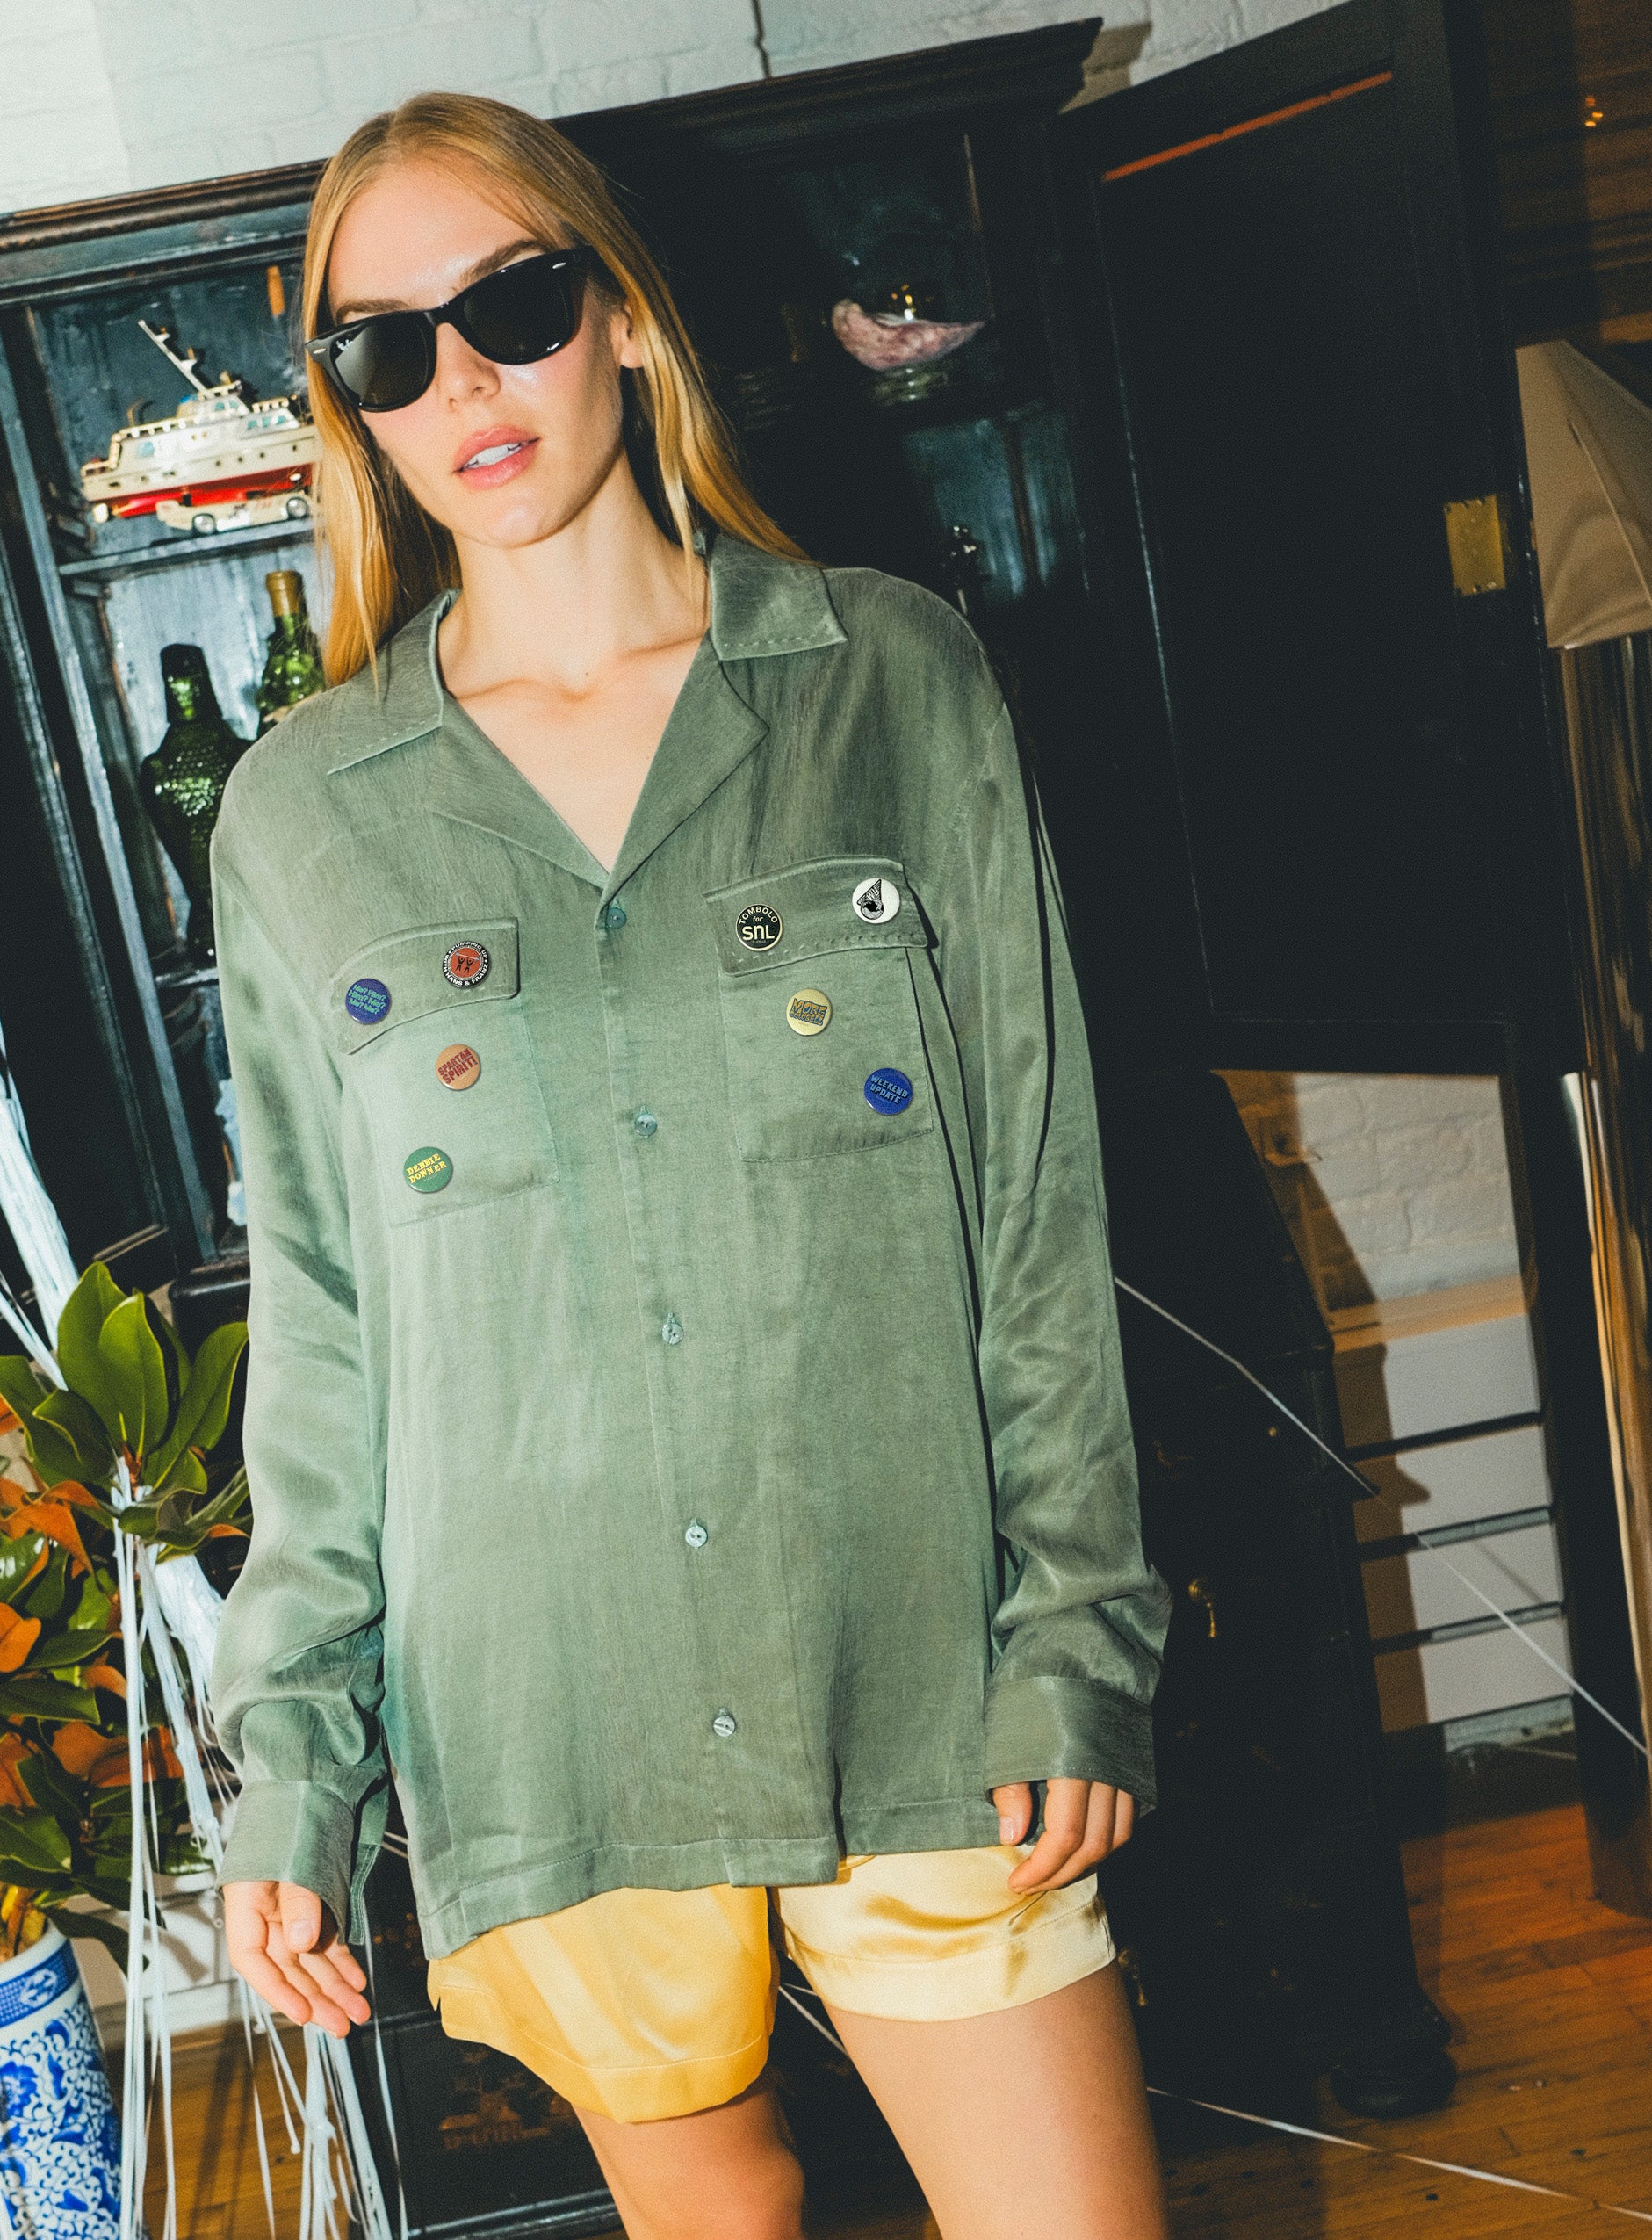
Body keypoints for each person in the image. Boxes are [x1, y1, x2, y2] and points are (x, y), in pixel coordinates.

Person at [208, 90, 1173, 2240]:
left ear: (625, 318)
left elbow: (1038, 1207)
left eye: (512, 308)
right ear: (348, 407)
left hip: (923, 1661)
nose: (462, 384)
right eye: (385, 348)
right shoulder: (301, 814)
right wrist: (294, 1765)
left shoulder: (891, 680)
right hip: (551, 1706)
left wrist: (1076, 1633)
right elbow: (327, 1344)